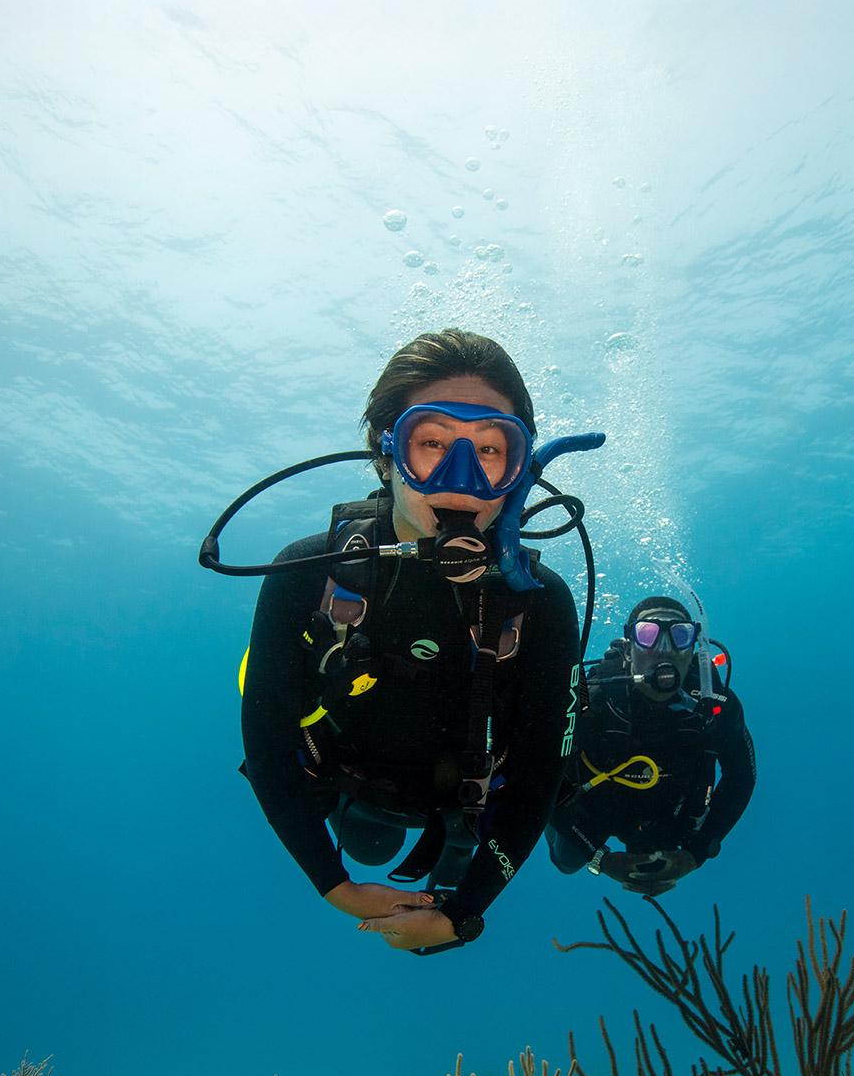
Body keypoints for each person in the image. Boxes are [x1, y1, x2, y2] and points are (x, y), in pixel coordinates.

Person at [232, 329, 584, 953]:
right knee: (367, 838)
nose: (461, 478)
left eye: (490, 450)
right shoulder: (309, 574)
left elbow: (538, 775)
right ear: (387, 451)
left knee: (457, 856)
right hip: (350, 786)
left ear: (519, 469)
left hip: (470, 806)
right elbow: (265, 745)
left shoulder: (540, 602)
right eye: (433, 444)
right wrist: (332, 883)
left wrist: (466, 912)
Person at [546, 596, 756, 896]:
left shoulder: (717, 705)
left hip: (673, 811)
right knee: (566, 861)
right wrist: (599, 859)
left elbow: (741, 778)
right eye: (647, 634)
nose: (664, 649)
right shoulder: (587, 695)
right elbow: (539, 770)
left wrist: (695, 854)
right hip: (595, 806)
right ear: (629, 647)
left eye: (680, 635)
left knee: (663, 854)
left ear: (694, 649)